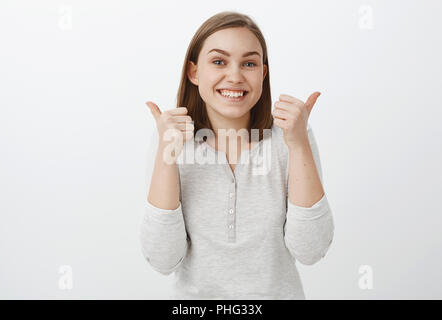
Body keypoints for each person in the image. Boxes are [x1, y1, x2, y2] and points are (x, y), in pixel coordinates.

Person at [140, 11, 335, 300]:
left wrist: (299, 144)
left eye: (249, 63)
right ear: (194, 72)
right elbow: (162, 259)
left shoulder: (290, 136)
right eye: (219, 61)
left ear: (263, 74)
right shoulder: (169, 138)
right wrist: (168, 156)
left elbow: (311, 250)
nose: (235, 76)